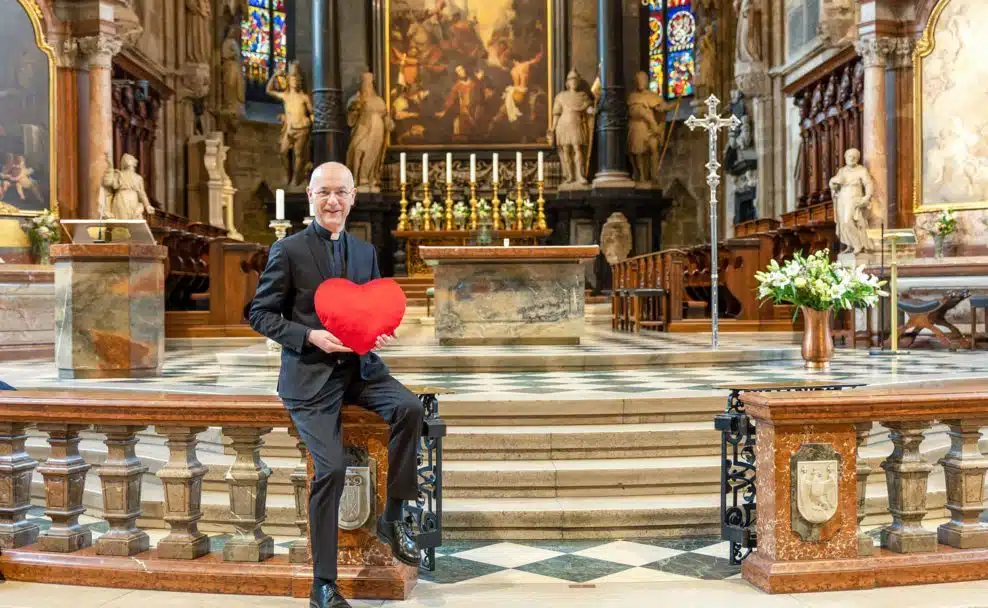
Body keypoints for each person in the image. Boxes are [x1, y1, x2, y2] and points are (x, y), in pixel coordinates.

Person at [248, 163, 422, 608]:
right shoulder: (287, 251)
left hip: (361, 371)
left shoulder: (365, 252)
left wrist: (378, 332)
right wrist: (308, 335)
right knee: (330, 470)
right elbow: (259, 313)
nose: (332, 201)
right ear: (309, 196)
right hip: (311, 377)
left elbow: (371, 309)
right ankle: (323, 584)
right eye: (324, 192)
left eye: (340, 193)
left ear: (352, 197)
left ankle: (393, 516)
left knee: (410, 409)